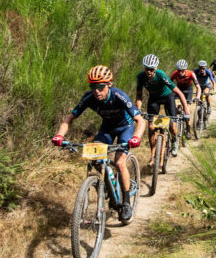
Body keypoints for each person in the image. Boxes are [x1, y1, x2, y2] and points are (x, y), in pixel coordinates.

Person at [52, 65, 146, 221]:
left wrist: (136, 137)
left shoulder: (119, 96)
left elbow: (140, 120)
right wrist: (59, 136)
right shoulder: (89, 98)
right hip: (107, 129)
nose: (96, 90)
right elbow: (70, 118)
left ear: (109, 85)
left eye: (100, 86)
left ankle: (126, 203)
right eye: (93, 86)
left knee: (119, 162)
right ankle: (107, 183)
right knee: (95, 160)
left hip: (125, 128)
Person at [135, 54, 190, 159]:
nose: (149, 72)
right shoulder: (140, 77)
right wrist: (138, 109)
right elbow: (139, 96)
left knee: (172, 125)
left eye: (151, 69)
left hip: (167, 97)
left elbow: (179, 93)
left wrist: (187, 111)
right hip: (154, 99)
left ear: (155, 68)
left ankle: (174, 141)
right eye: (147, 69)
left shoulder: (161, 75)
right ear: (144, 67)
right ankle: (153, 154)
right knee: (151, 127)